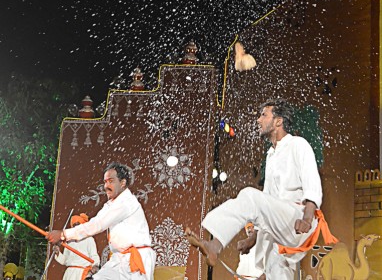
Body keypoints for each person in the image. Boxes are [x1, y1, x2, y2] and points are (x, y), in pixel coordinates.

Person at [186, 99, 328, 280]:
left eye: (264, 115)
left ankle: (215, 245)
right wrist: (252, 239)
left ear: (278, 121)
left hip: (297, 217)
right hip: (279, 224)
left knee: (249, 195)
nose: (258, 120)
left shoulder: (298, 144)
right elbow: (265, 205)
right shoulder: (271, 155)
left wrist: (307, 218)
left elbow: (312, 184)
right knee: (276, 268)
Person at [47, 162, 155, 280]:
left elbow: (98, 224)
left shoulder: (126, 202)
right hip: (119, 260)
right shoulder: (111, 204)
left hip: (135, 261)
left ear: (123, 183)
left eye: (111, 181)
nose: (106, 186)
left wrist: (63, 234)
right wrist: (64, 237)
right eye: (105, 182)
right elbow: (96, 221)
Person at [54, 213, 100, 280]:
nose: (76, 227)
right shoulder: (69, 241)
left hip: (82, 272)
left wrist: (95, 265)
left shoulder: (89, 239)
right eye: (74, 225)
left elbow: (94, 255)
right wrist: (57, 252)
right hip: (70, 273)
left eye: (78, 225)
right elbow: (65, 260)